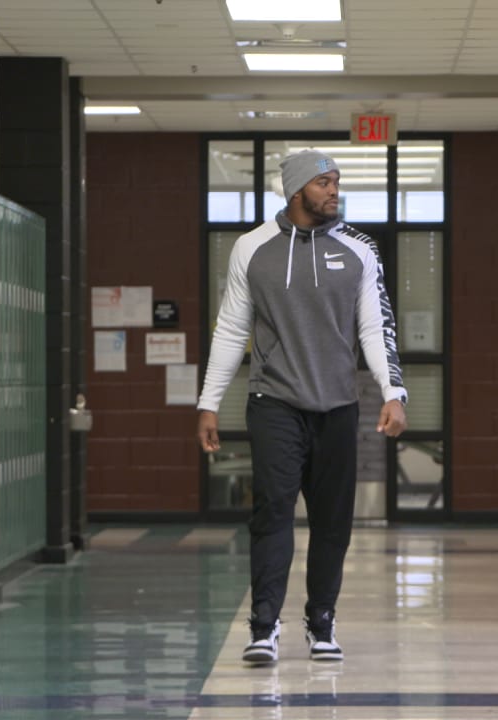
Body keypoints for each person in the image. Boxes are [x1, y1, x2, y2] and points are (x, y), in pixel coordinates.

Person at [196, 149, 408, 664]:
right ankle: (264, 625)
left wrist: (393, 392)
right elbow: (230, 328)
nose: (334, 191)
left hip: (337, 404)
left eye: (336, 182)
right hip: (274, 401)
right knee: (271, 512)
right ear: (296, 191)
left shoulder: (359, 249)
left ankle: (321, 622)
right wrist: (208, 403)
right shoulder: (253, 248)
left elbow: (374, 327)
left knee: (332, 522)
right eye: (324, 183)